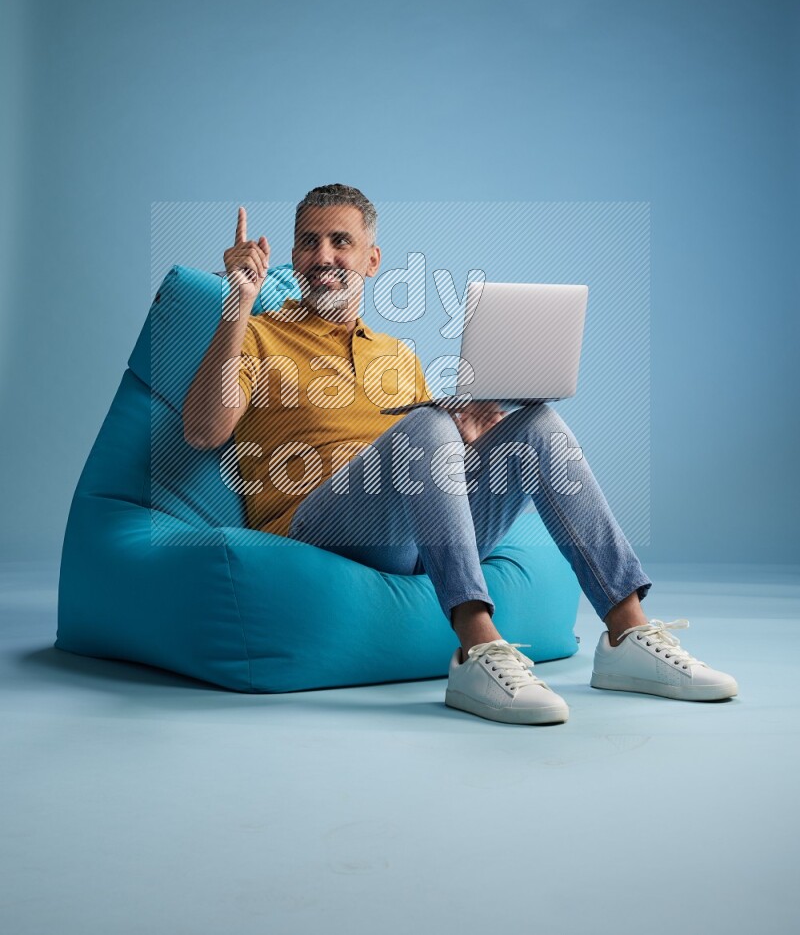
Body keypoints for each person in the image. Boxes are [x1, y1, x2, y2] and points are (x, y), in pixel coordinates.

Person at [183, 184, 738, 725]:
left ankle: (627, 633)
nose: (322, 256)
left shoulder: (396, 353)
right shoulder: (258, 334)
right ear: (294, 255)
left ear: (372, 260)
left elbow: (430, 455)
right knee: (427, 421)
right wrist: (237, 302)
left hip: (416, 534)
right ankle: (477, 650)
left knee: (535, 423)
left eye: (339, 241)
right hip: (320, 526)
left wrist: (470, 430)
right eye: (308, 242)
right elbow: (205, 431)